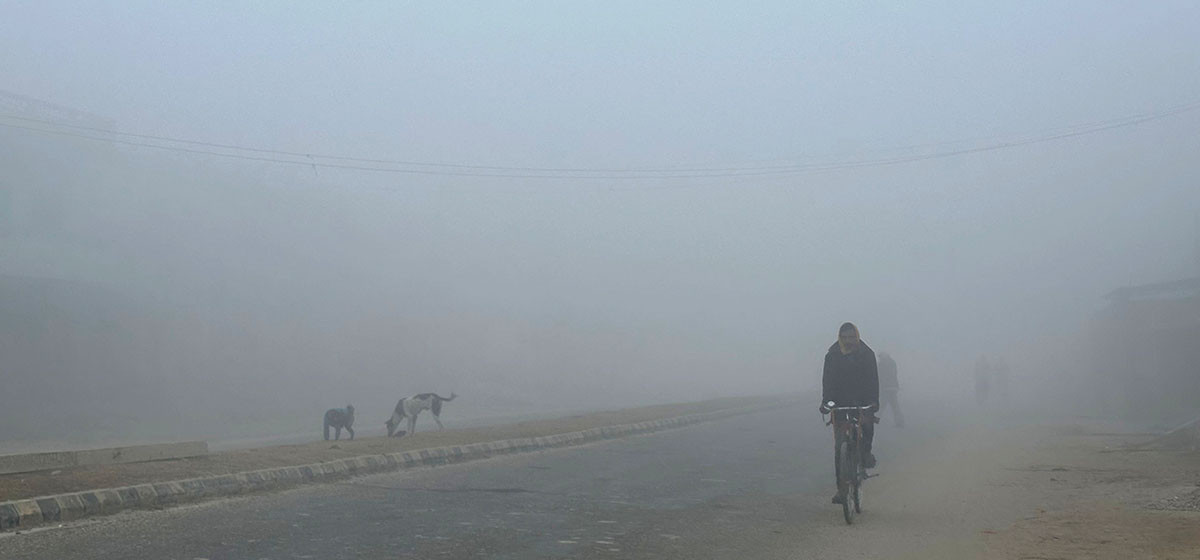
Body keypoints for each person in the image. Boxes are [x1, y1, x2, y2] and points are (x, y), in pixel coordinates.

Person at [820, 322, 879, 505]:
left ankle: (866, 453)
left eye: (851, 337)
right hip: (839, 404)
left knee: (867, 427)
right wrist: (826, 402)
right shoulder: (832, 355)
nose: (848, 341)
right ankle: (842, 489)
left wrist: (873, 402)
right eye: (844, 338)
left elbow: (872, 380)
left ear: (857, 337)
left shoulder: (867, 354)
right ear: (840, 337)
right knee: (840, 448)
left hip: (861, 401)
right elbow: (827, 381)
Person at [877, 351, 904, 427]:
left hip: (885, 388)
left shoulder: (882, 364)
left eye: (880, 357)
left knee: (881, 406)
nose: (879, 359)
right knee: (895, 407)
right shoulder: (892, 362)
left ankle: (875, 421)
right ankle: (900, 423)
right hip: (893, 388)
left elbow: (880, 376)